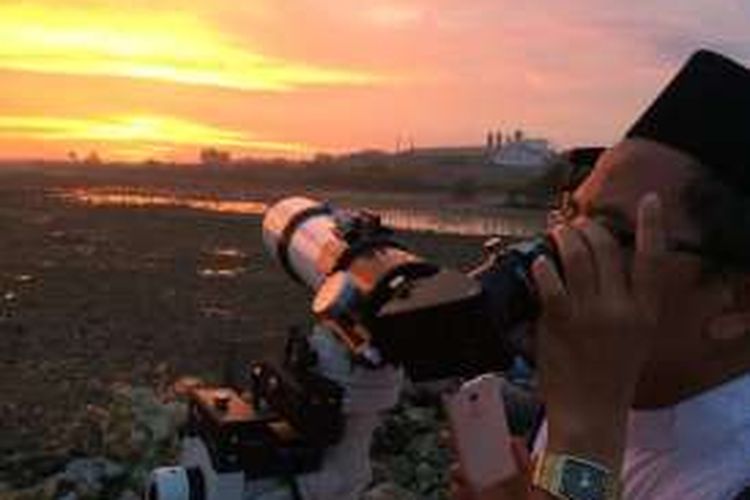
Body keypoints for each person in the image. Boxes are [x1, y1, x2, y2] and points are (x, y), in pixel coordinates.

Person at [452, 49, 750, 499]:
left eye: (611, 235)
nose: (564, 251)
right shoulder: (597, 385)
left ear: (739, 301)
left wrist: (585, 437)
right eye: (571, 215)